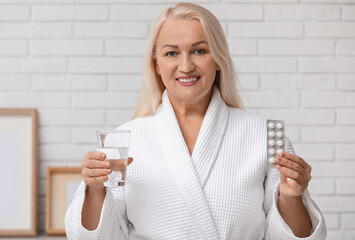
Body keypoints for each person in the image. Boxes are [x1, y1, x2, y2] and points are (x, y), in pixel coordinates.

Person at [65, 3, 326, 239]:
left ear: (219, 59)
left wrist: (292, 198)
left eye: (199, 51)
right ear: (156, 64)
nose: (186, 65)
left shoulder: (265, 136)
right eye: (171, 53)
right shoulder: (123, 140)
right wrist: (95, 189)